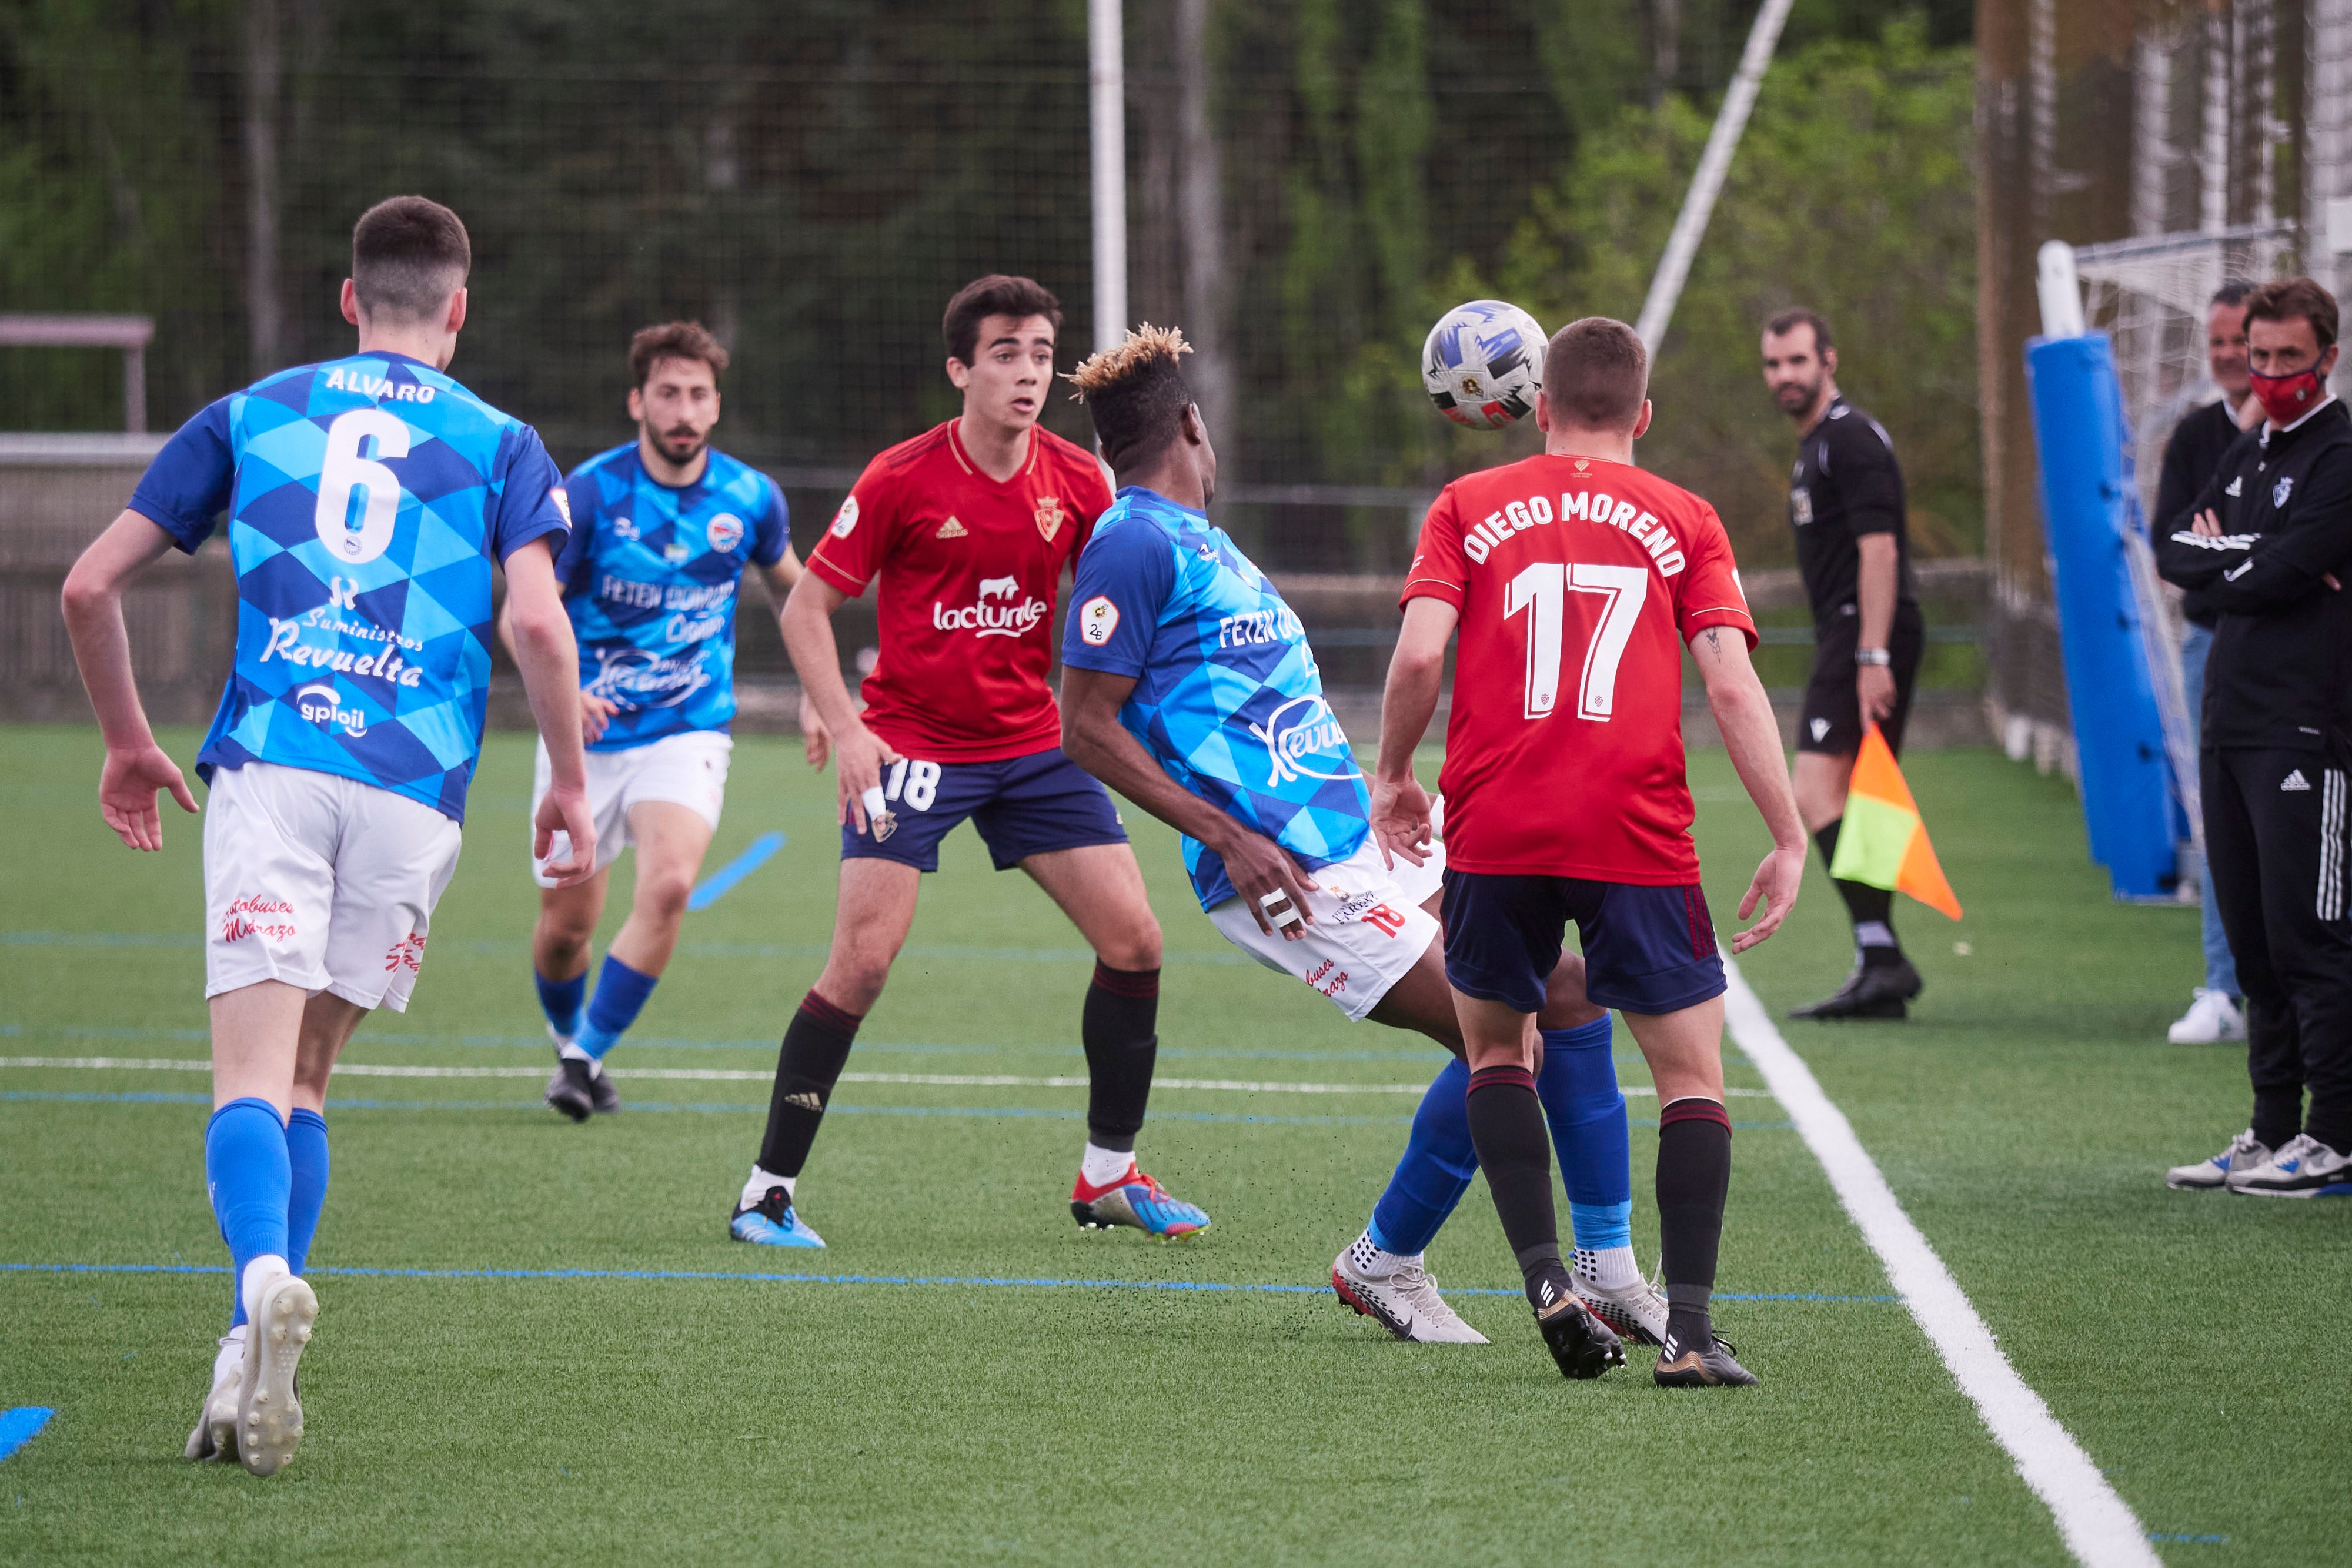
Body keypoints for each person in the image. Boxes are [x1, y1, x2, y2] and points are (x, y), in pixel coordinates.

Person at [56, 196, 592, 1473]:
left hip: (277, 764)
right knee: (306, 1080)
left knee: (248, 1079)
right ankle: (247, 1350)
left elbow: (86, 584)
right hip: (417, 791)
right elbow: (535, 629)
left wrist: (131, 742)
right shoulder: (511, 444)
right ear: (457, 309)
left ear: (349, 298)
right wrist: (568, 779)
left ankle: (257, 1282)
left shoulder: (248, 413)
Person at [1054, 325, 1666, 1352]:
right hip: (1283, 868)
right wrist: (1230, 839)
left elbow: (1268, 710)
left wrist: (1391, 791)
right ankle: (1418, 1263)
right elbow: (1084, 725)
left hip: (1356, 838)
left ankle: (1546, 1266)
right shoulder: (1133, 539)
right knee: (1500, 1032)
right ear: (1193, 426)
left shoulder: (1207, 540)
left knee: (1561, 993)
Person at [1374, 315, 1808, 1385]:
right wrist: (1790, 832)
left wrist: (1393, 773)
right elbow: (1731, 682)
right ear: (1643, 415)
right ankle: (1693, 1333)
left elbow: (1422, 652)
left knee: (1495, 1054)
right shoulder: (1685, 517)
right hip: (1635, 828)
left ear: (1542, 406)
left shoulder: (1468, 506)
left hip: (1498, 822)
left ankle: (1542, 1281)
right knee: (1690, 1077)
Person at [729, 275, 1205, 1248]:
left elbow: (1123, 601)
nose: (1028, 372)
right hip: (911, 747)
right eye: (1005, 354)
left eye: (1040, 353)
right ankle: (765, 1192)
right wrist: (847, 725)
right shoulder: (903, 476)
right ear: (960, 368)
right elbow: (805, 607)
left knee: (1137, 940)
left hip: (1033, 747)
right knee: (861, 965)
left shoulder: (1080, 482)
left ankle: (1108, 1175)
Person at [511, 321, 828, 1120]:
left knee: (671, 884)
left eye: (697, 394)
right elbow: (523, 605)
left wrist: (820, 689)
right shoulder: (586, 494)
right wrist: (563, 692)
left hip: (688, 728)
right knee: (564, 930)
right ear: (638, 402)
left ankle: (583, 1060)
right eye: (667, 393)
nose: (683, 409)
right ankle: (567, 1038)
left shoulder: (750, 498)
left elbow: (800, 593)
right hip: (582, 737)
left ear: (716, 405)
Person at [2156, 276, 2352, 1199]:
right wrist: (2247, 558)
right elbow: (2175, 555)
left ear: (2327, 358)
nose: (2270, 373)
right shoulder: (2245, 450)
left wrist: (2236, 555)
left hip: (2305, 729)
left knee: (2309, 936)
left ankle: (2334, 1135)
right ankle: (2273, 1128)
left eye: (2288, 359)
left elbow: (2279, 567)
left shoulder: (2338, 455)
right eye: (2258, 355)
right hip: (2229, 725)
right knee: (2254, 942)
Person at [1760, 309, 1926, 1019]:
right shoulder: (1813, 447)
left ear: (1829, 358)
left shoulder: (1849, 439)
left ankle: (1880, 953)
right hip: (1851, 632)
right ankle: (1879, 958)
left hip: (1865, 633)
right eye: (1773, 365)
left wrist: (1872, 654)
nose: (1785, 377)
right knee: (1860, 793)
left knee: (1816, 791)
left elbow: (1880, 549)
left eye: (1797, 361)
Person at [2160, 283, 2262, 1046]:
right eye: (2219, 342)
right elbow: (2175, 549)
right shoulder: (2198, 435)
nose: (2230, 356)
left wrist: (2229, 548)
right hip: (2212, 643)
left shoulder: (2316, 438)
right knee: (2218, 810)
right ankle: (2224, 986)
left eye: (2245, 344)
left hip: (2301, 651)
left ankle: (2303, 982)